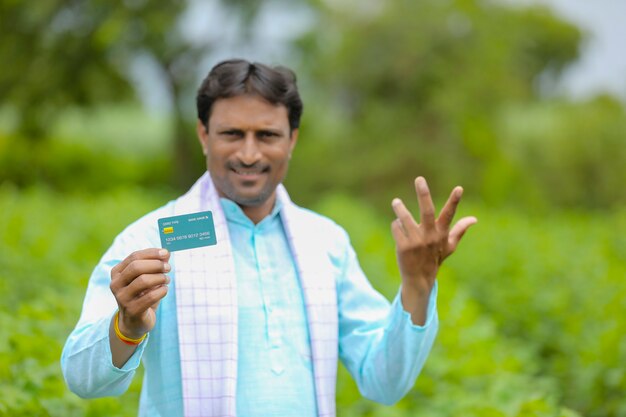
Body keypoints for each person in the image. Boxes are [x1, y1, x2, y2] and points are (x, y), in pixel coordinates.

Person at [61, 59, 477, 417]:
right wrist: (127, 325)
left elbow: (383, 381)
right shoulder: (153, 238)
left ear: (292, 139)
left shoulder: (324, 240)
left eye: (267, 135)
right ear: (204, 135)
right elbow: (82, 379)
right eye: (231, 134)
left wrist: (418, 288)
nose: (248, 154)